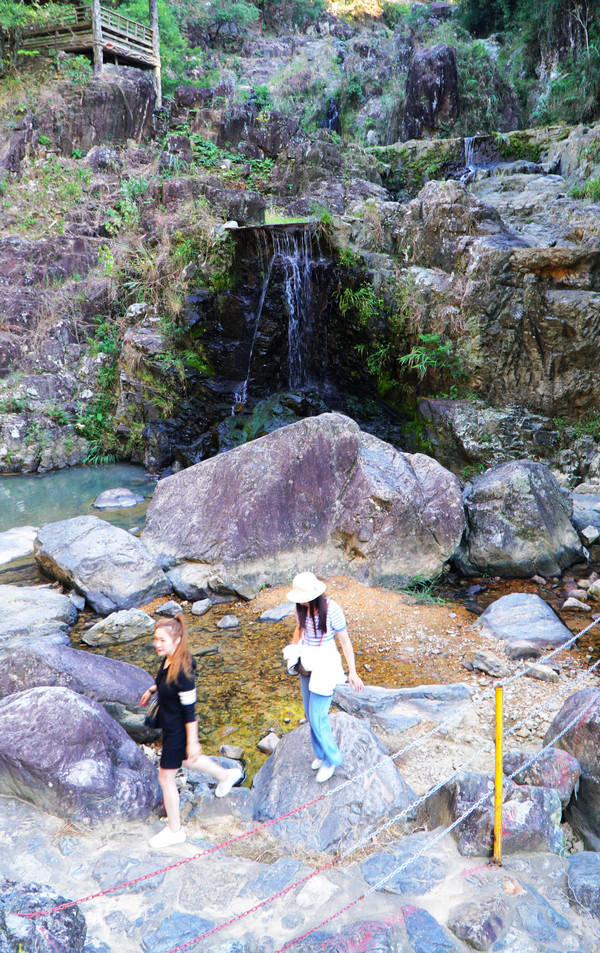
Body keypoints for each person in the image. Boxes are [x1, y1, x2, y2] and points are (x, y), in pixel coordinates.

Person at [140, 614, 242, 849]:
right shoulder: (168, 660)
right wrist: (152, 689)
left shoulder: (184, 671)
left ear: (176, 640)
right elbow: (166, 681)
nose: (157, 644)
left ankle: (174, 830)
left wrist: (193, 741)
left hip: (178, 730)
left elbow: (190, 710)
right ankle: (226, 775)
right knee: (188, 761)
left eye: (162, 640)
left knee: (165, 777)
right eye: (156, 639)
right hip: (171, 726)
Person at [284, 572, 363, 783]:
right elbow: (300, 629)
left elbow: (345, 642)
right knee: (310, 715)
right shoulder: (302, 607)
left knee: (318, 716)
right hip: (307, 662)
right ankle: (320, 754)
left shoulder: (332, 609)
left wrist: (352, 672)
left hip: (326, 663)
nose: (299, 601)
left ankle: (332, 758)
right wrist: (292, 652)